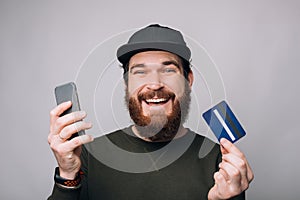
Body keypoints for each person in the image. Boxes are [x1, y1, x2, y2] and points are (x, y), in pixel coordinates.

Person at [47, 24, 253, 200]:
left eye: (168, 70)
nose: (155, 84)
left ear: (188, 80)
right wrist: (67, 176)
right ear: (127, 84)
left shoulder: (220, 162)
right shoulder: (88, 157)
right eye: (140, 72)